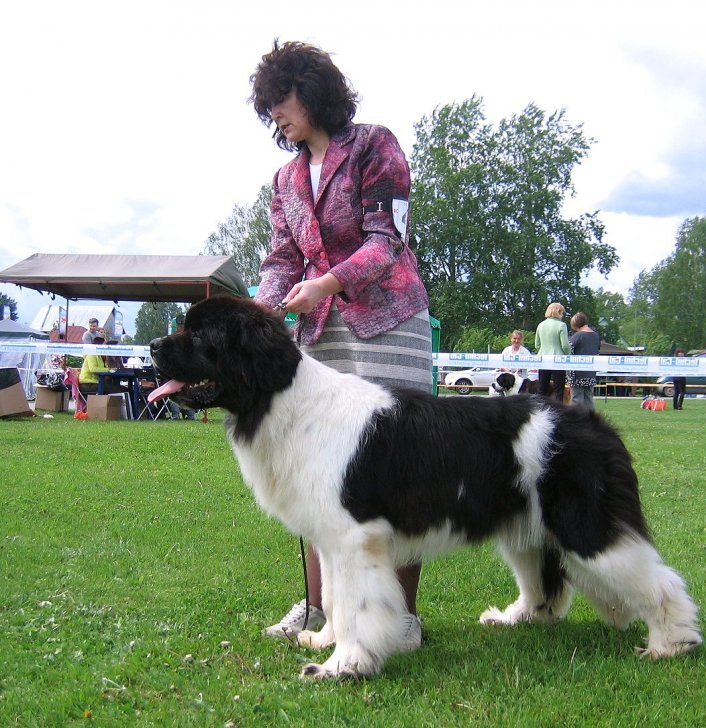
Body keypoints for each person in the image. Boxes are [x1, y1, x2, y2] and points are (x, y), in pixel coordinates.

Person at [249, 40, 431, 649]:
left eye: (282, 98)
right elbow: (280, 259)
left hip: (388, 324)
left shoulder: (375, 145)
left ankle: (402, 618)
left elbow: (388, 241)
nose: (274, 112)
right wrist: (255, 315)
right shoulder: (286, 177)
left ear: (313, 90)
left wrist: (326, 281)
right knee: (312, 472)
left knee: (396, 469)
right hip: (318, 337)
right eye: (267, 104)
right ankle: (322, 612)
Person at [534, 302, 570, 401]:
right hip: (558, 360)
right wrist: (568, 355)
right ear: (558, 312)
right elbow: (565, 346)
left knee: (542, 389)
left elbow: (537, 345)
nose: (562, 315)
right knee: (559, 390)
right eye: (562, 313)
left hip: (543, 360)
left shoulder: (540, 325)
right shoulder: (561, 325)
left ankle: (541, 411)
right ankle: (558, 412)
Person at [567, 312, 600, 409]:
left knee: (577, 400)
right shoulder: (596, 336)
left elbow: (569, 351)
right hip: (591, 373)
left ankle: (578, 421)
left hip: (577, 374)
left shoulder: (577, 336)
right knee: (589, 399)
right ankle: (591, 421)